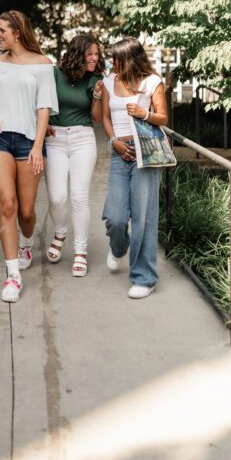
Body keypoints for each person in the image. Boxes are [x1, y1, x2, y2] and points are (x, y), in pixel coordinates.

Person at [0, 10, 58, 303]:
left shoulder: (42, 65)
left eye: (2, 31)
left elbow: (43, 109)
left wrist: (38, 146)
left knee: (26, 211)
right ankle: (13, 276)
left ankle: (26, 242)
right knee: (8, 204)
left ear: (17, 32)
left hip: (28, 141)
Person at [101, 37, 168, 298]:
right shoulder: (108, 81)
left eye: (116, 58)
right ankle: (119, 247)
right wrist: (113, 141)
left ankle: (144, 277)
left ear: (128, 59)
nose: (111, 62)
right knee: (115, 216)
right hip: (120, 152)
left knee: (143, 218)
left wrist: (145, 114)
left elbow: (162, 117)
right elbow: (104, 117)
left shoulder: (152, 82)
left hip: (146, 153)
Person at [45, 34, 105, 277]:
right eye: (90, 54)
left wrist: (99, 95)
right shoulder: (53, 74)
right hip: (54, 139)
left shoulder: (95, 79)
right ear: (77, 54)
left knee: (79, 197)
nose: (94, 58)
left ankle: (81, 251)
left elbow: (98, 118)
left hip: (83, 139)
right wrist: (43, 124)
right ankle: (60, 233)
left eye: (97, 54)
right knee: (57, 197)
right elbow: (41, 103)